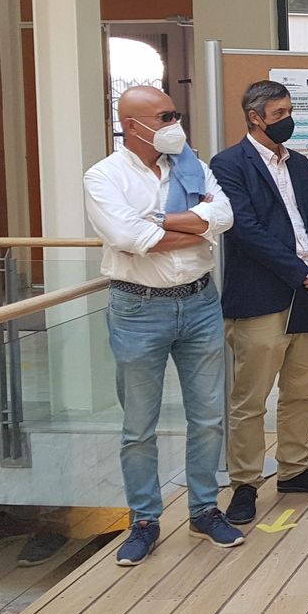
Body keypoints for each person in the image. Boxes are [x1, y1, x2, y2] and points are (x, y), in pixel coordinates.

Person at [82, 85, 243, 565]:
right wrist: (193, 226)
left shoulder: (191, 166)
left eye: (175, 113)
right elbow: (129, 237)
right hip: (137, 310)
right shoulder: (103, 176)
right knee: (139, 425)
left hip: (199, 303)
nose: (175, 123)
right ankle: (145, 520)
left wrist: (160, 223)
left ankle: (204, 510)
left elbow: (225, 216)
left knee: (209, 416)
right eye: (165, 115)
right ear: (133, 126)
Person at [211, 80, 308, 527]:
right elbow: (244, 229)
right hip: (262, 297)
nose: (289, 119)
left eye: (290, 110)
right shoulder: (229, 164)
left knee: (301, 390)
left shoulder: (301, 164)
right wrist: (300, 271)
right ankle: (245, 483)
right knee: (251, 399)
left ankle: (294, 469)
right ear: (255, 116)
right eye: (280, 112)